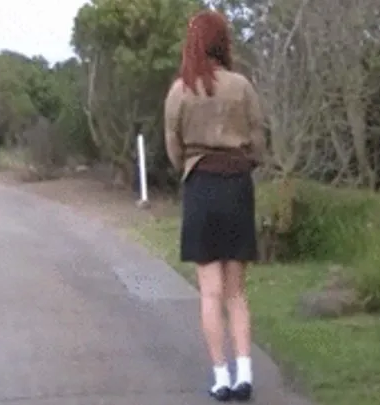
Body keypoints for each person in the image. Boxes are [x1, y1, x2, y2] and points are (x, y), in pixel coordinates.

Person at [163, 9, 266, 403]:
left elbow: (173, 146)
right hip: (237, 185)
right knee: (236, 291)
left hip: (201, 186)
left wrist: (191, 167)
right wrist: (243, 163)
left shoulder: (180, 91)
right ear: (223, 41)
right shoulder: (242, 86)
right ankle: (246, 374)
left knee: (209, 292)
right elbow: (258, 140)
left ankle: (220, 378)